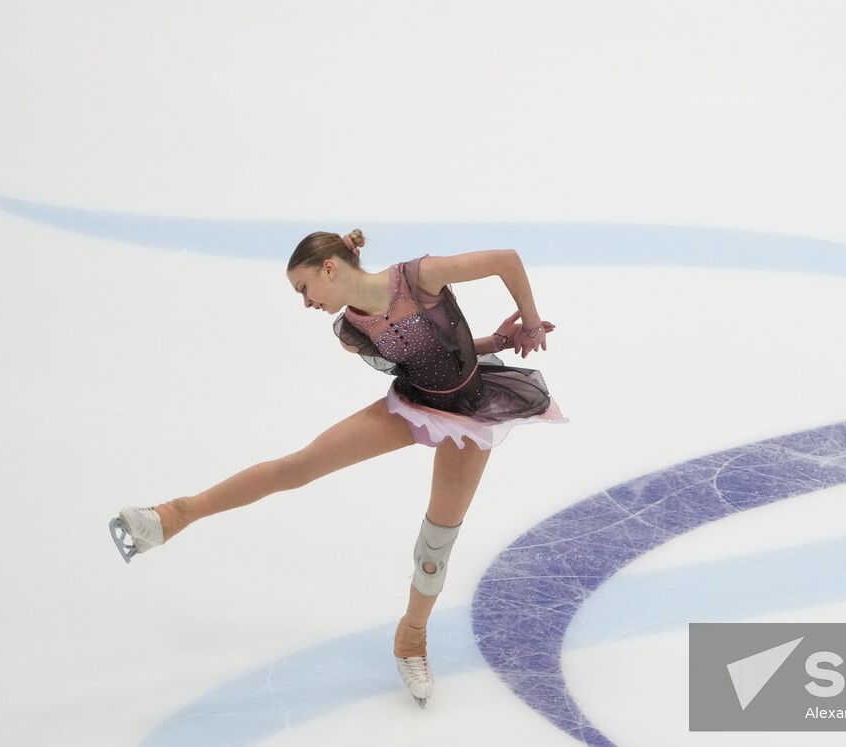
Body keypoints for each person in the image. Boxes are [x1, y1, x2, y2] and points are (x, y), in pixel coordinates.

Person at [107, 230, 567, 707]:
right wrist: (495, 337)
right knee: (299, 466)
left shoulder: (418, 277)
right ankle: (172, 515)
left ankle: (411, 638)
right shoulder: (352, 332)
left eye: (303, 289)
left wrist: (529, 327)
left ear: (330, 267)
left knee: (437, 541)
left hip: (471, 412)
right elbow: (425, 360)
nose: (305, 303)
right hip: (415, 405)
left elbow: (506, 260)